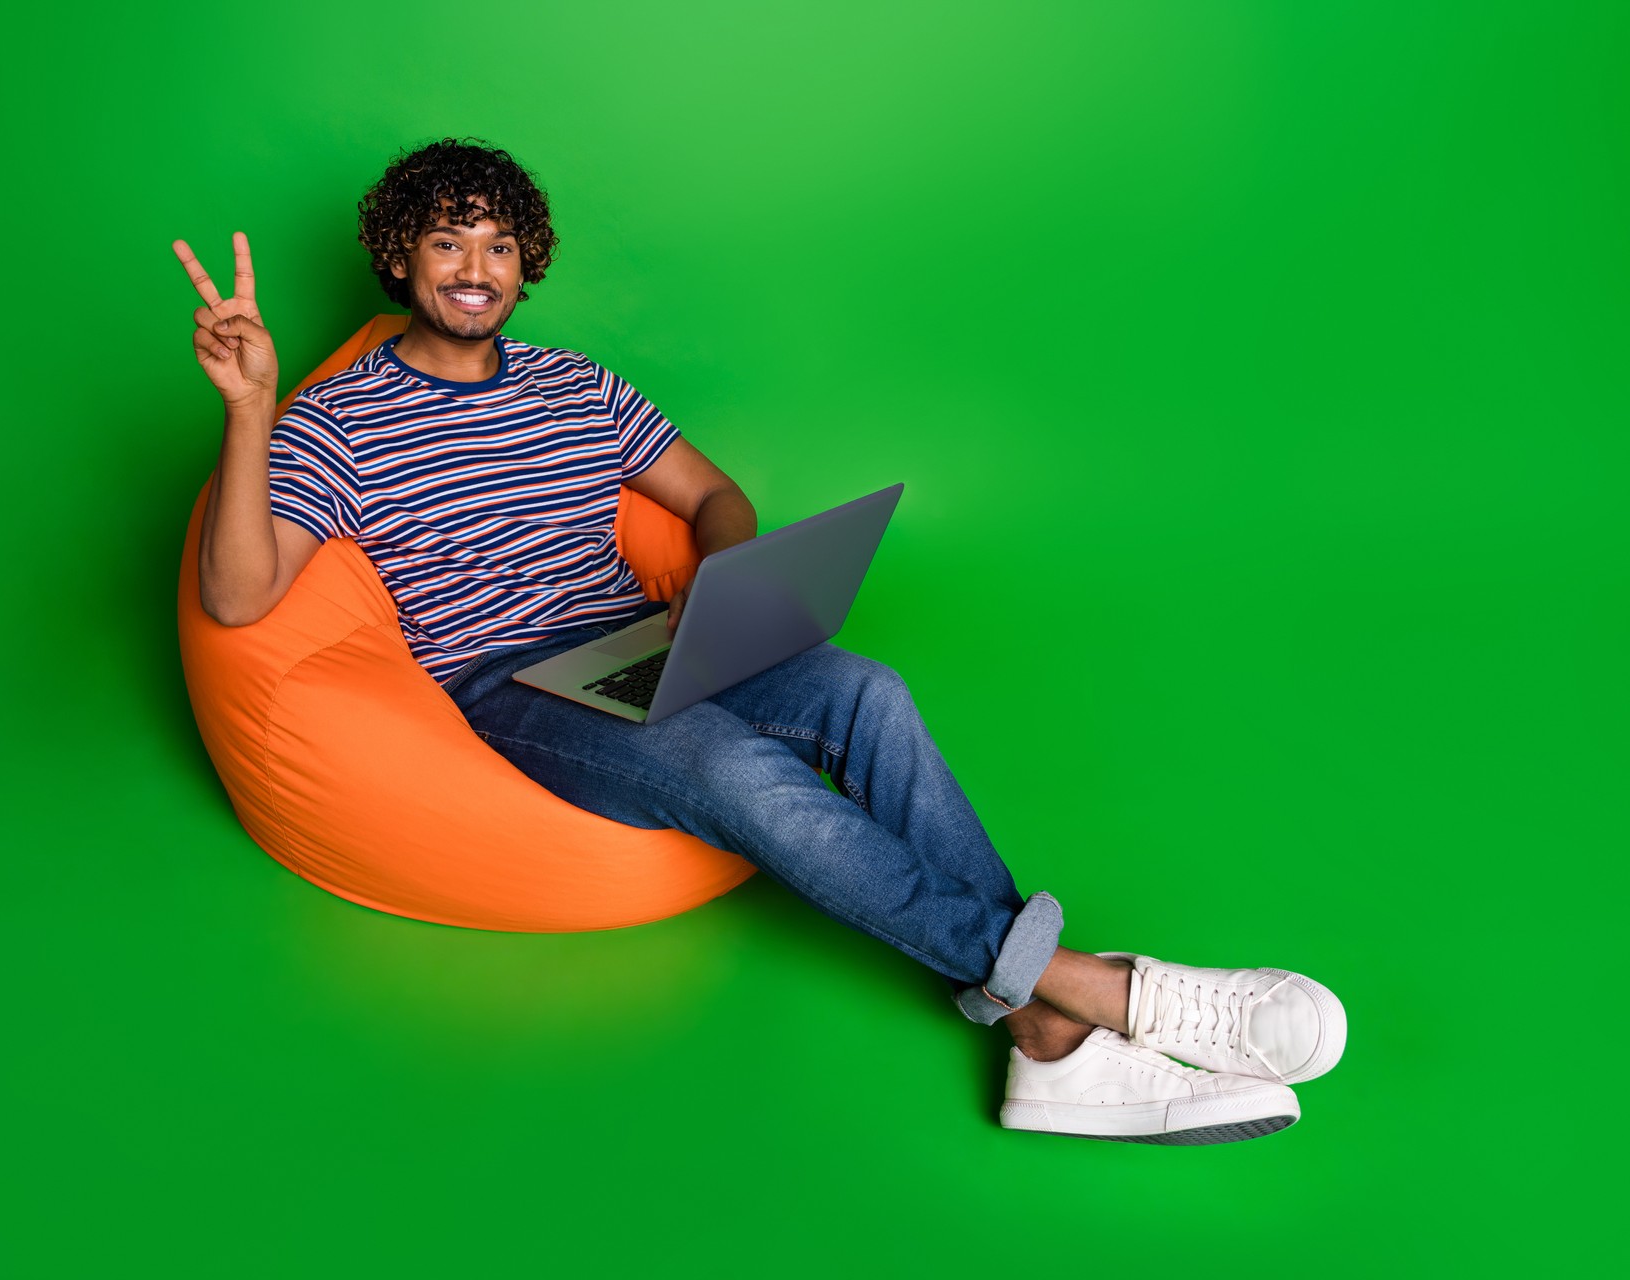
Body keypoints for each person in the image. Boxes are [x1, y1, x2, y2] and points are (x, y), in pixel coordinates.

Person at [172, 138, 1346, 1145]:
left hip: (649, 637)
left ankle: (1043, 1035)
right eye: (445, 244)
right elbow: (234, 599)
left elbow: (716, 495)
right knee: (736, 768)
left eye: (496, 247)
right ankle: (1091, 988)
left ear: (526, 265)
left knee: (868, 692)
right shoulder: (337, 420)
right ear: (398, 259)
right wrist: (248, 410)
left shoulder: (579, 387)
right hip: (514, 686)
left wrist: (717, 591)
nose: (473, 270)